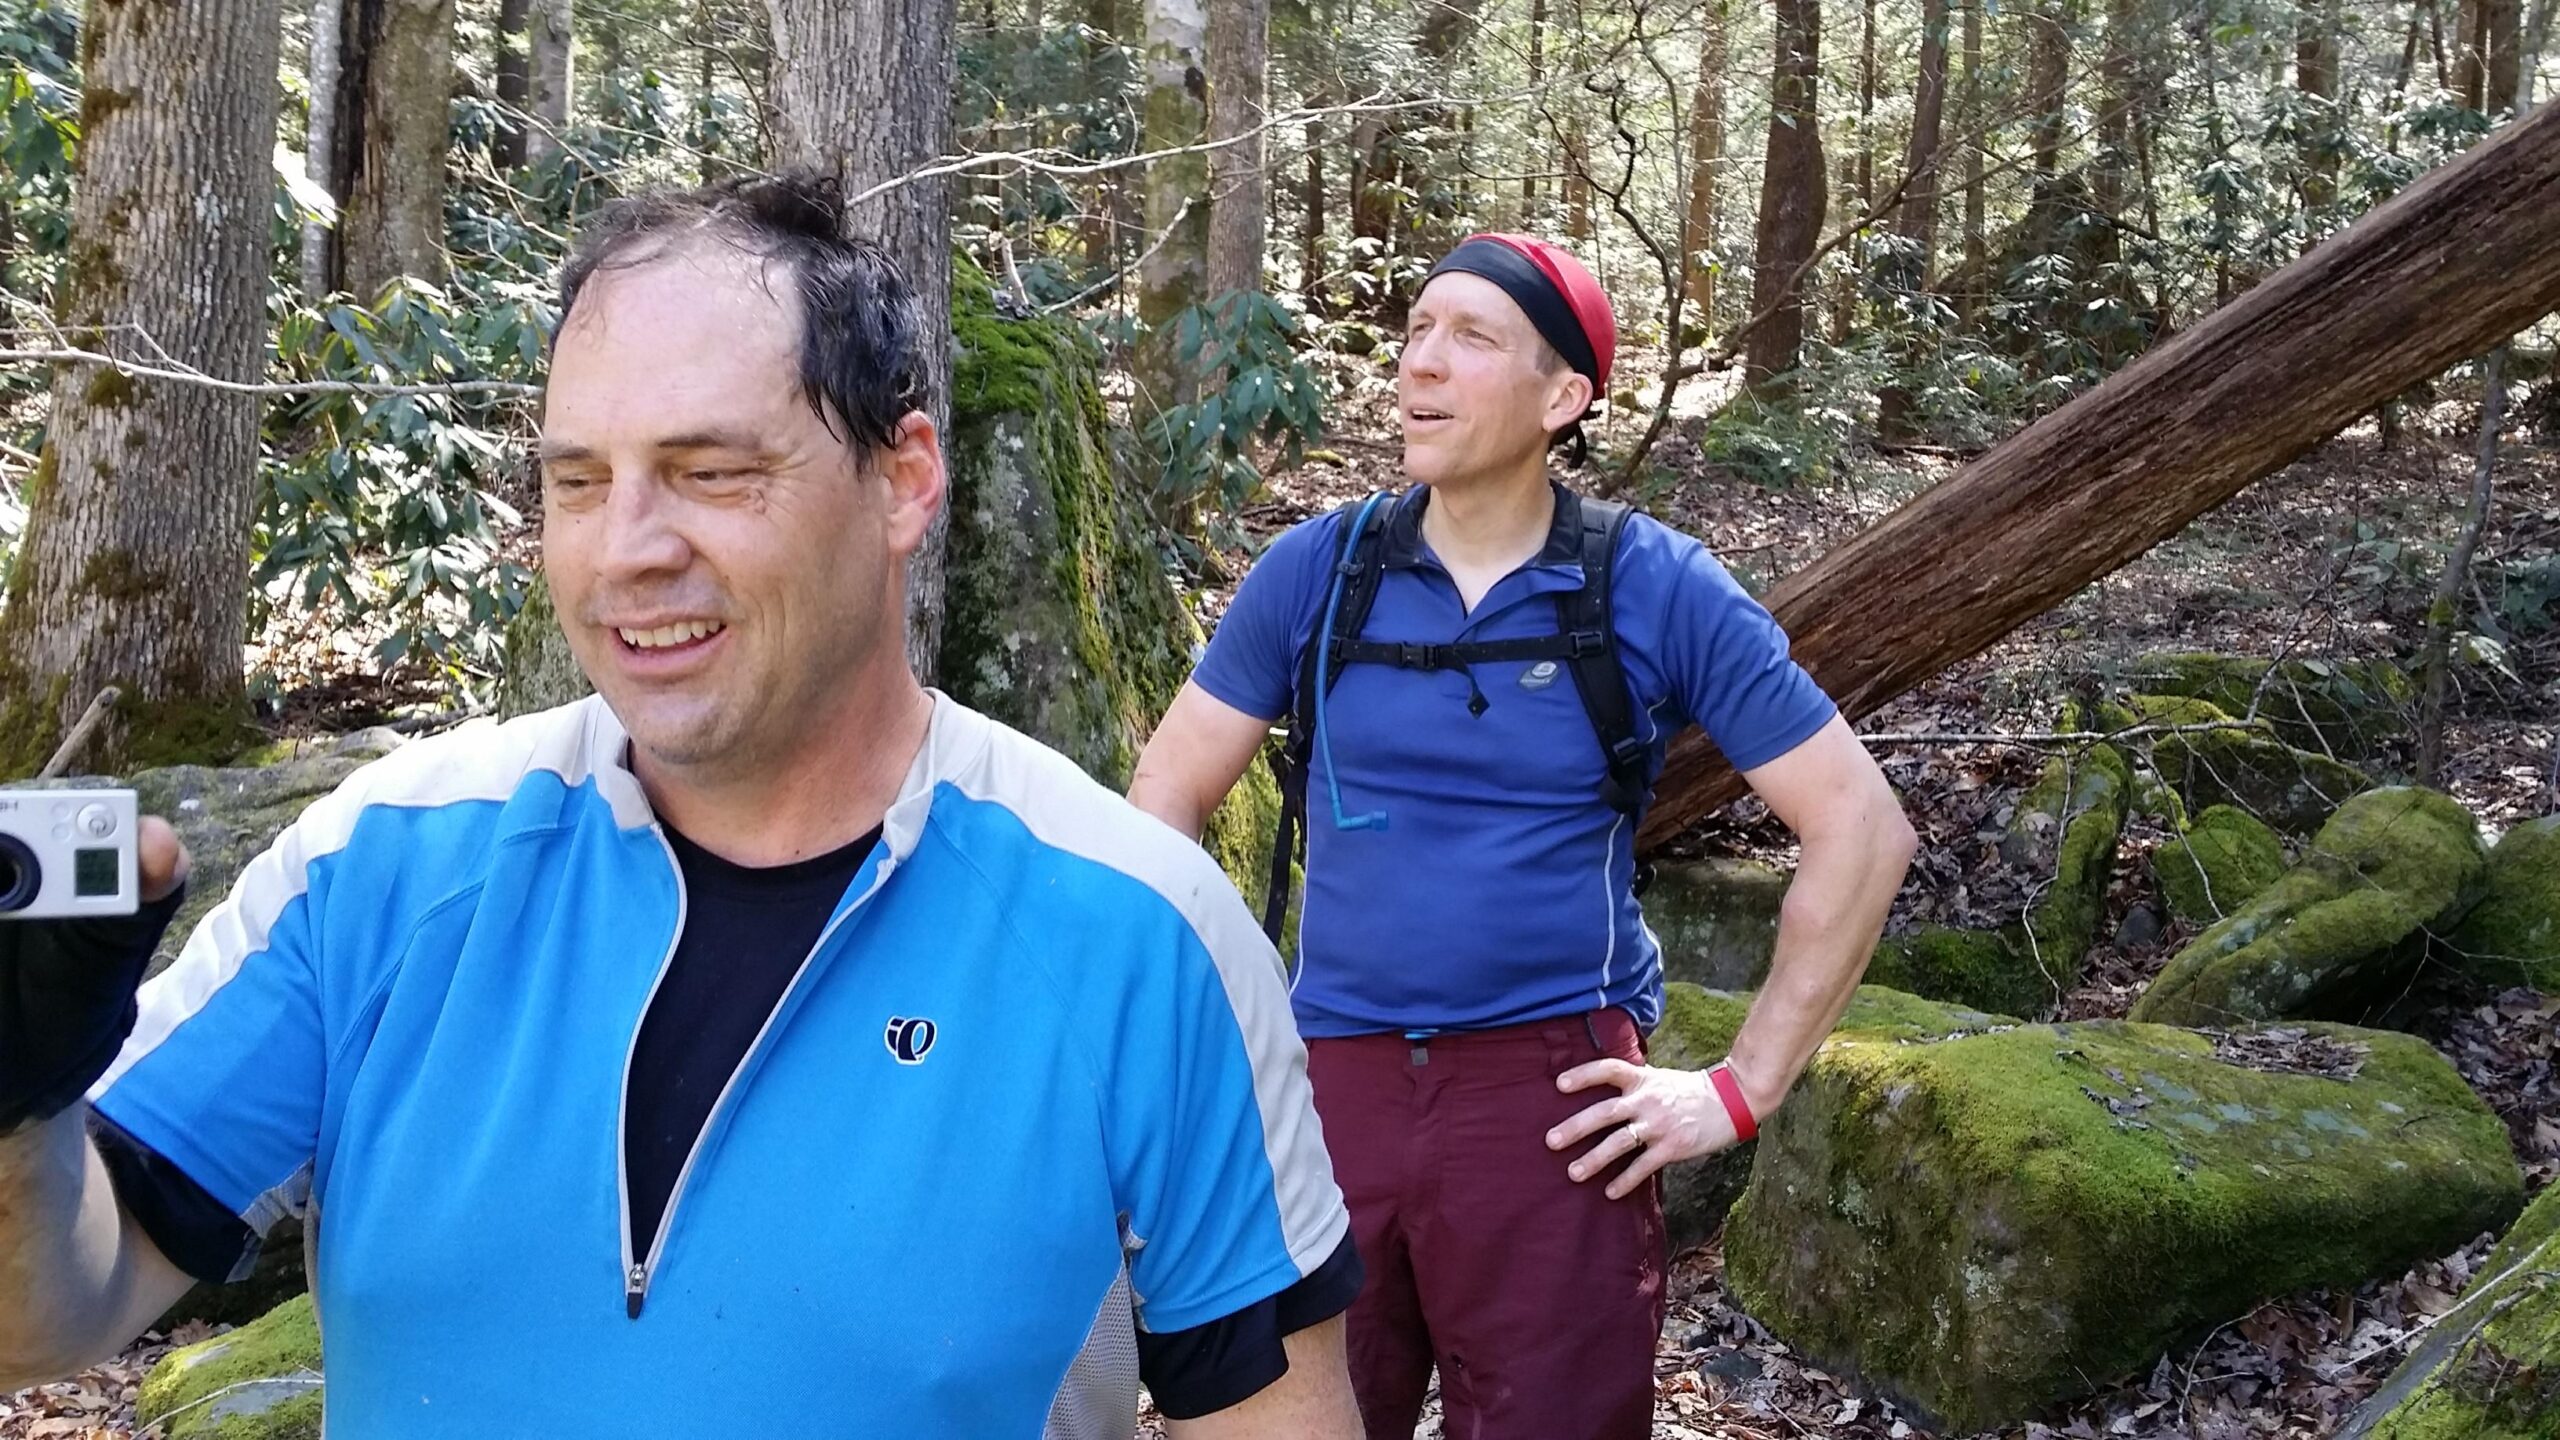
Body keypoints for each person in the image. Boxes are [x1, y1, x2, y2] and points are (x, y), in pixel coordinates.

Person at [0, 174, 1365, 1437]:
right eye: (576, 483)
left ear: (905, 481)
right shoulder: (385, 866)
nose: (628, 552)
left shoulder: (1140, 935)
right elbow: (47, 1315)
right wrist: (21, 1109)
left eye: (713, 473)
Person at [1128, 233, 1918, 1439]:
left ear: (1564, 397)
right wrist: (1214, 1038)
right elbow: (1163, 800)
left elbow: (1860, 829)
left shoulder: (1650, 585)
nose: (1418, 369)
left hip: (1555, 1101)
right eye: (1414, 334)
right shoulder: (1318, 573)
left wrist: (1741, 1091)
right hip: (1325, 1083)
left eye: (1469, 339)